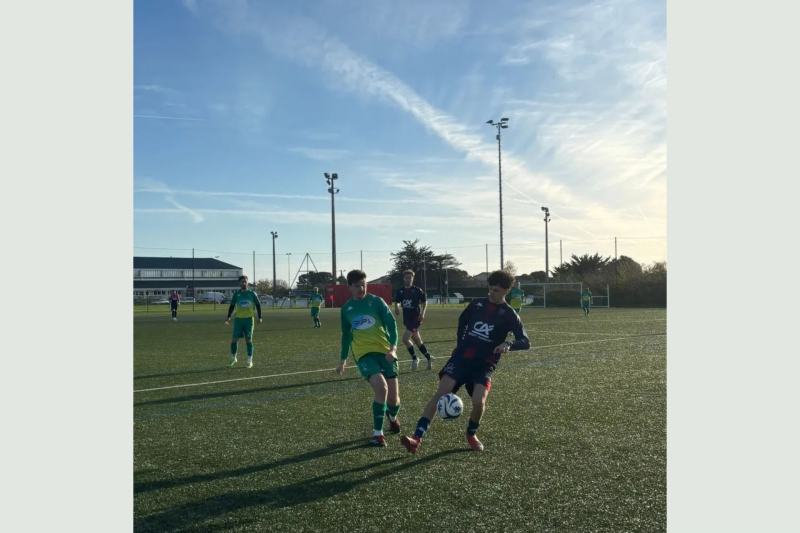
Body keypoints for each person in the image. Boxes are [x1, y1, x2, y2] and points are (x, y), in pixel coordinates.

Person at [400, 270, 530, 453]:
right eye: (490, 289)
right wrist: (460, 345)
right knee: (441, 392)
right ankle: (416, 438)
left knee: (479, 401)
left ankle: (471, 434)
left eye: (497, 291)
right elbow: (462, 322)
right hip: (462, 358)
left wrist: (508, 343)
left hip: (484, 364)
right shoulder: (477, 304)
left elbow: (525, 341)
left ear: (507, 291)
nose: (492, 294)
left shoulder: (509, 315)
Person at [336, 270, 401, 447]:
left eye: (363, 284)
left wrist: (393, 348)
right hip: (364, 355)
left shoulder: (377, 302)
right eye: (357, 286)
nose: (361, 288)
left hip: (386, 352)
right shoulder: (346, 309)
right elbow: (346, 336)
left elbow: (392, 325)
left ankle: (392, 416)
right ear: (349, 287)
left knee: (394, 401)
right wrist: (343, 360)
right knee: (382, 389)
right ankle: (378, 434)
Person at [393, 270, 434, 371]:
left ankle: (415, 358)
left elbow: (425, 302)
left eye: (410, 278)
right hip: (407, 319)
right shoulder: (400, 291)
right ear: (404, 278)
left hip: (416, 319)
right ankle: (429, 358)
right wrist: (397, 307)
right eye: (406, 277)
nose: (408, 279)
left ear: (412, 279)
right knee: (417, 341)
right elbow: (397, 301)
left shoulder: (417, 290)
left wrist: (422, 313)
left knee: (405, 339)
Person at [224, 275, 262, 369]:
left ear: (247, 282)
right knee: (234, 340)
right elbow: (232, 306)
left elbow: (258, 305)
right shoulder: (236, 294)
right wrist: (228, 316)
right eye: (242, 282)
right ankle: (233, 358)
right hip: (238, 320)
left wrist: (259, 317)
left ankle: (249, 361)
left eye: (245, 281)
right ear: (239, 283)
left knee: (248, 340)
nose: (244, 283)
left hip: (249, 319)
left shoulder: (252, 294)